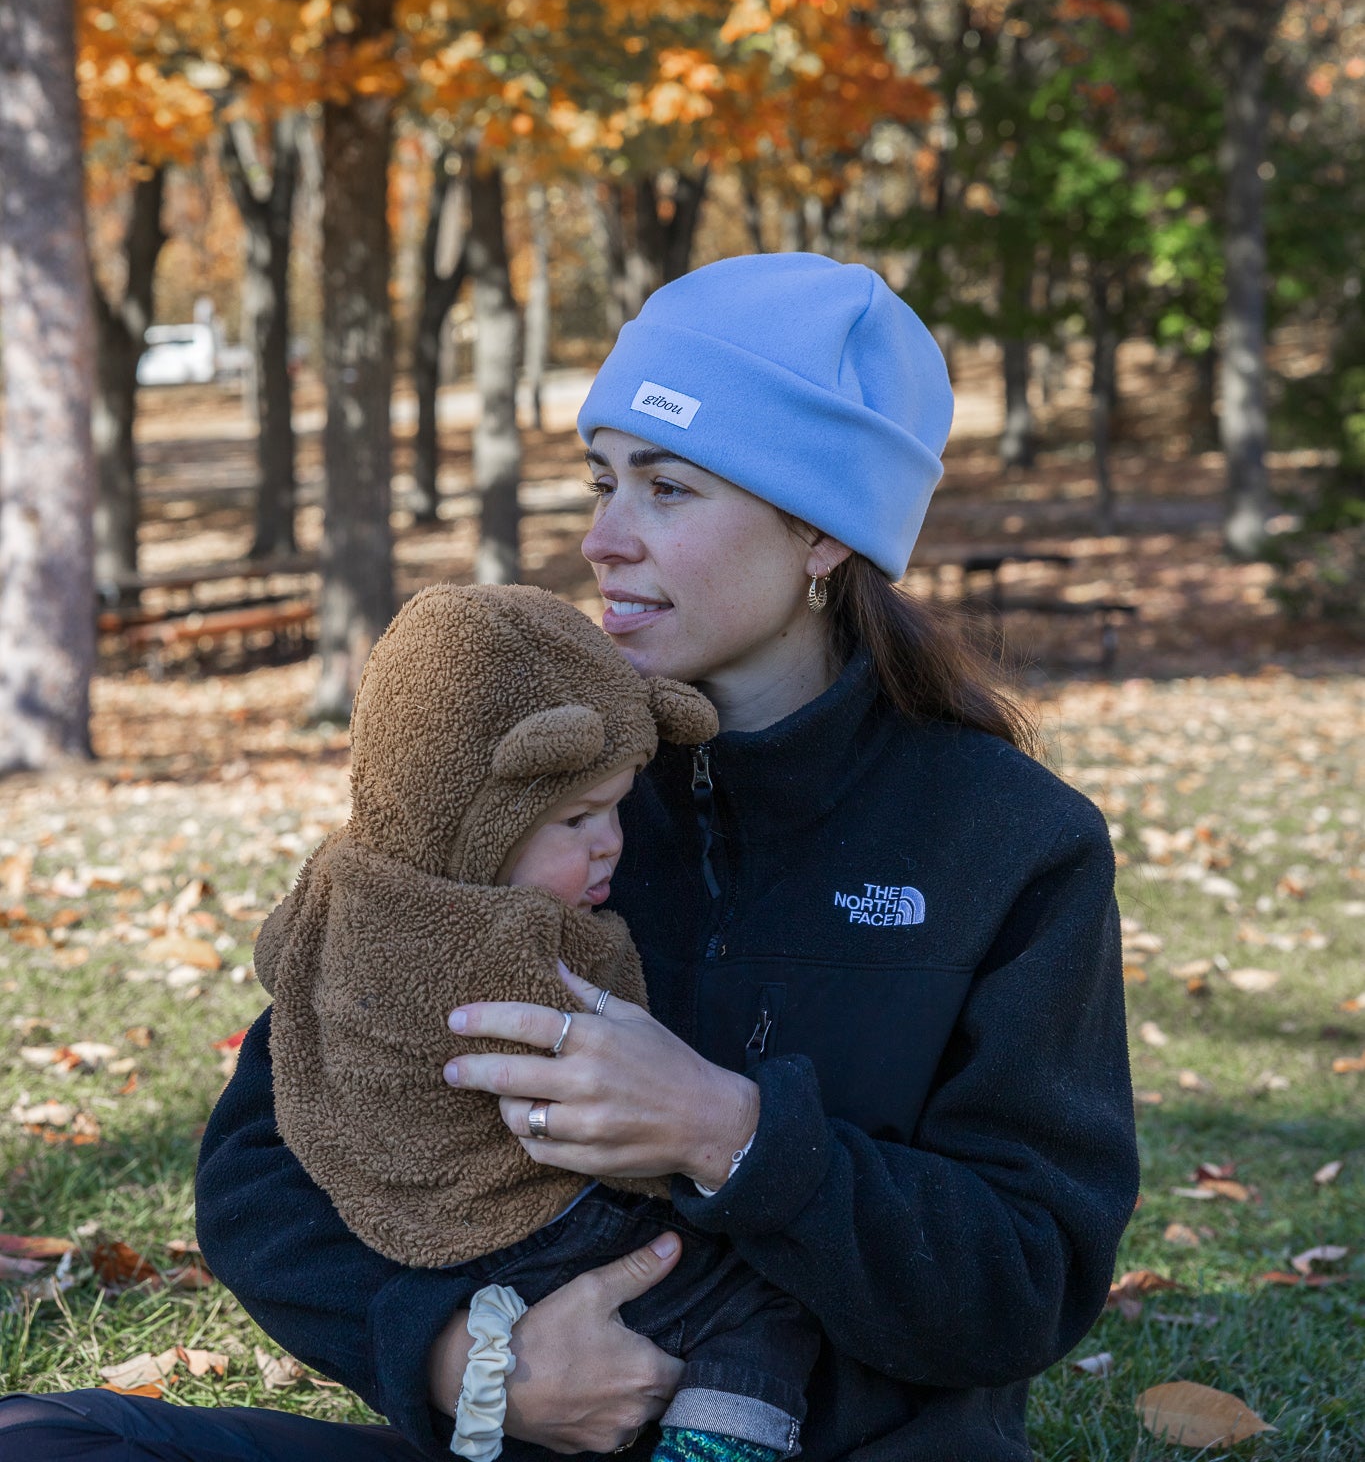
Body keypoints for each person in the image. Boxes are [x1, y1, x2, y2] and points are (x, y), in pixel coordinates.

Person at [0, 252, 1138, 1462]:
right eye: (603, 480)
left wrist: (730, 1134)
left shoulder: (1010, 841)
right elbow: (261, 1164)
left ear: (819, 530)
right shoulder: (520, 776)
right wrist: (466, 1359)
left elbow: (1028, 1275)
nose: (603, 538)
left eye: (668, 488)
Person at [254, 581, 816, 1462]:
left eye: (618, 807)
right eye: (576, 818)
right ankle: (717, 1447)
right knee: (759, 1302)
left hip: (402, 1227)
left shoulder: (340, 878)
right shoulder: (525, 949)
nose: (611, 842)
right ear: (471, 822)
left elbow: (277, 961)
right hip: (534, 1216)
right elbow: (616, 1076)